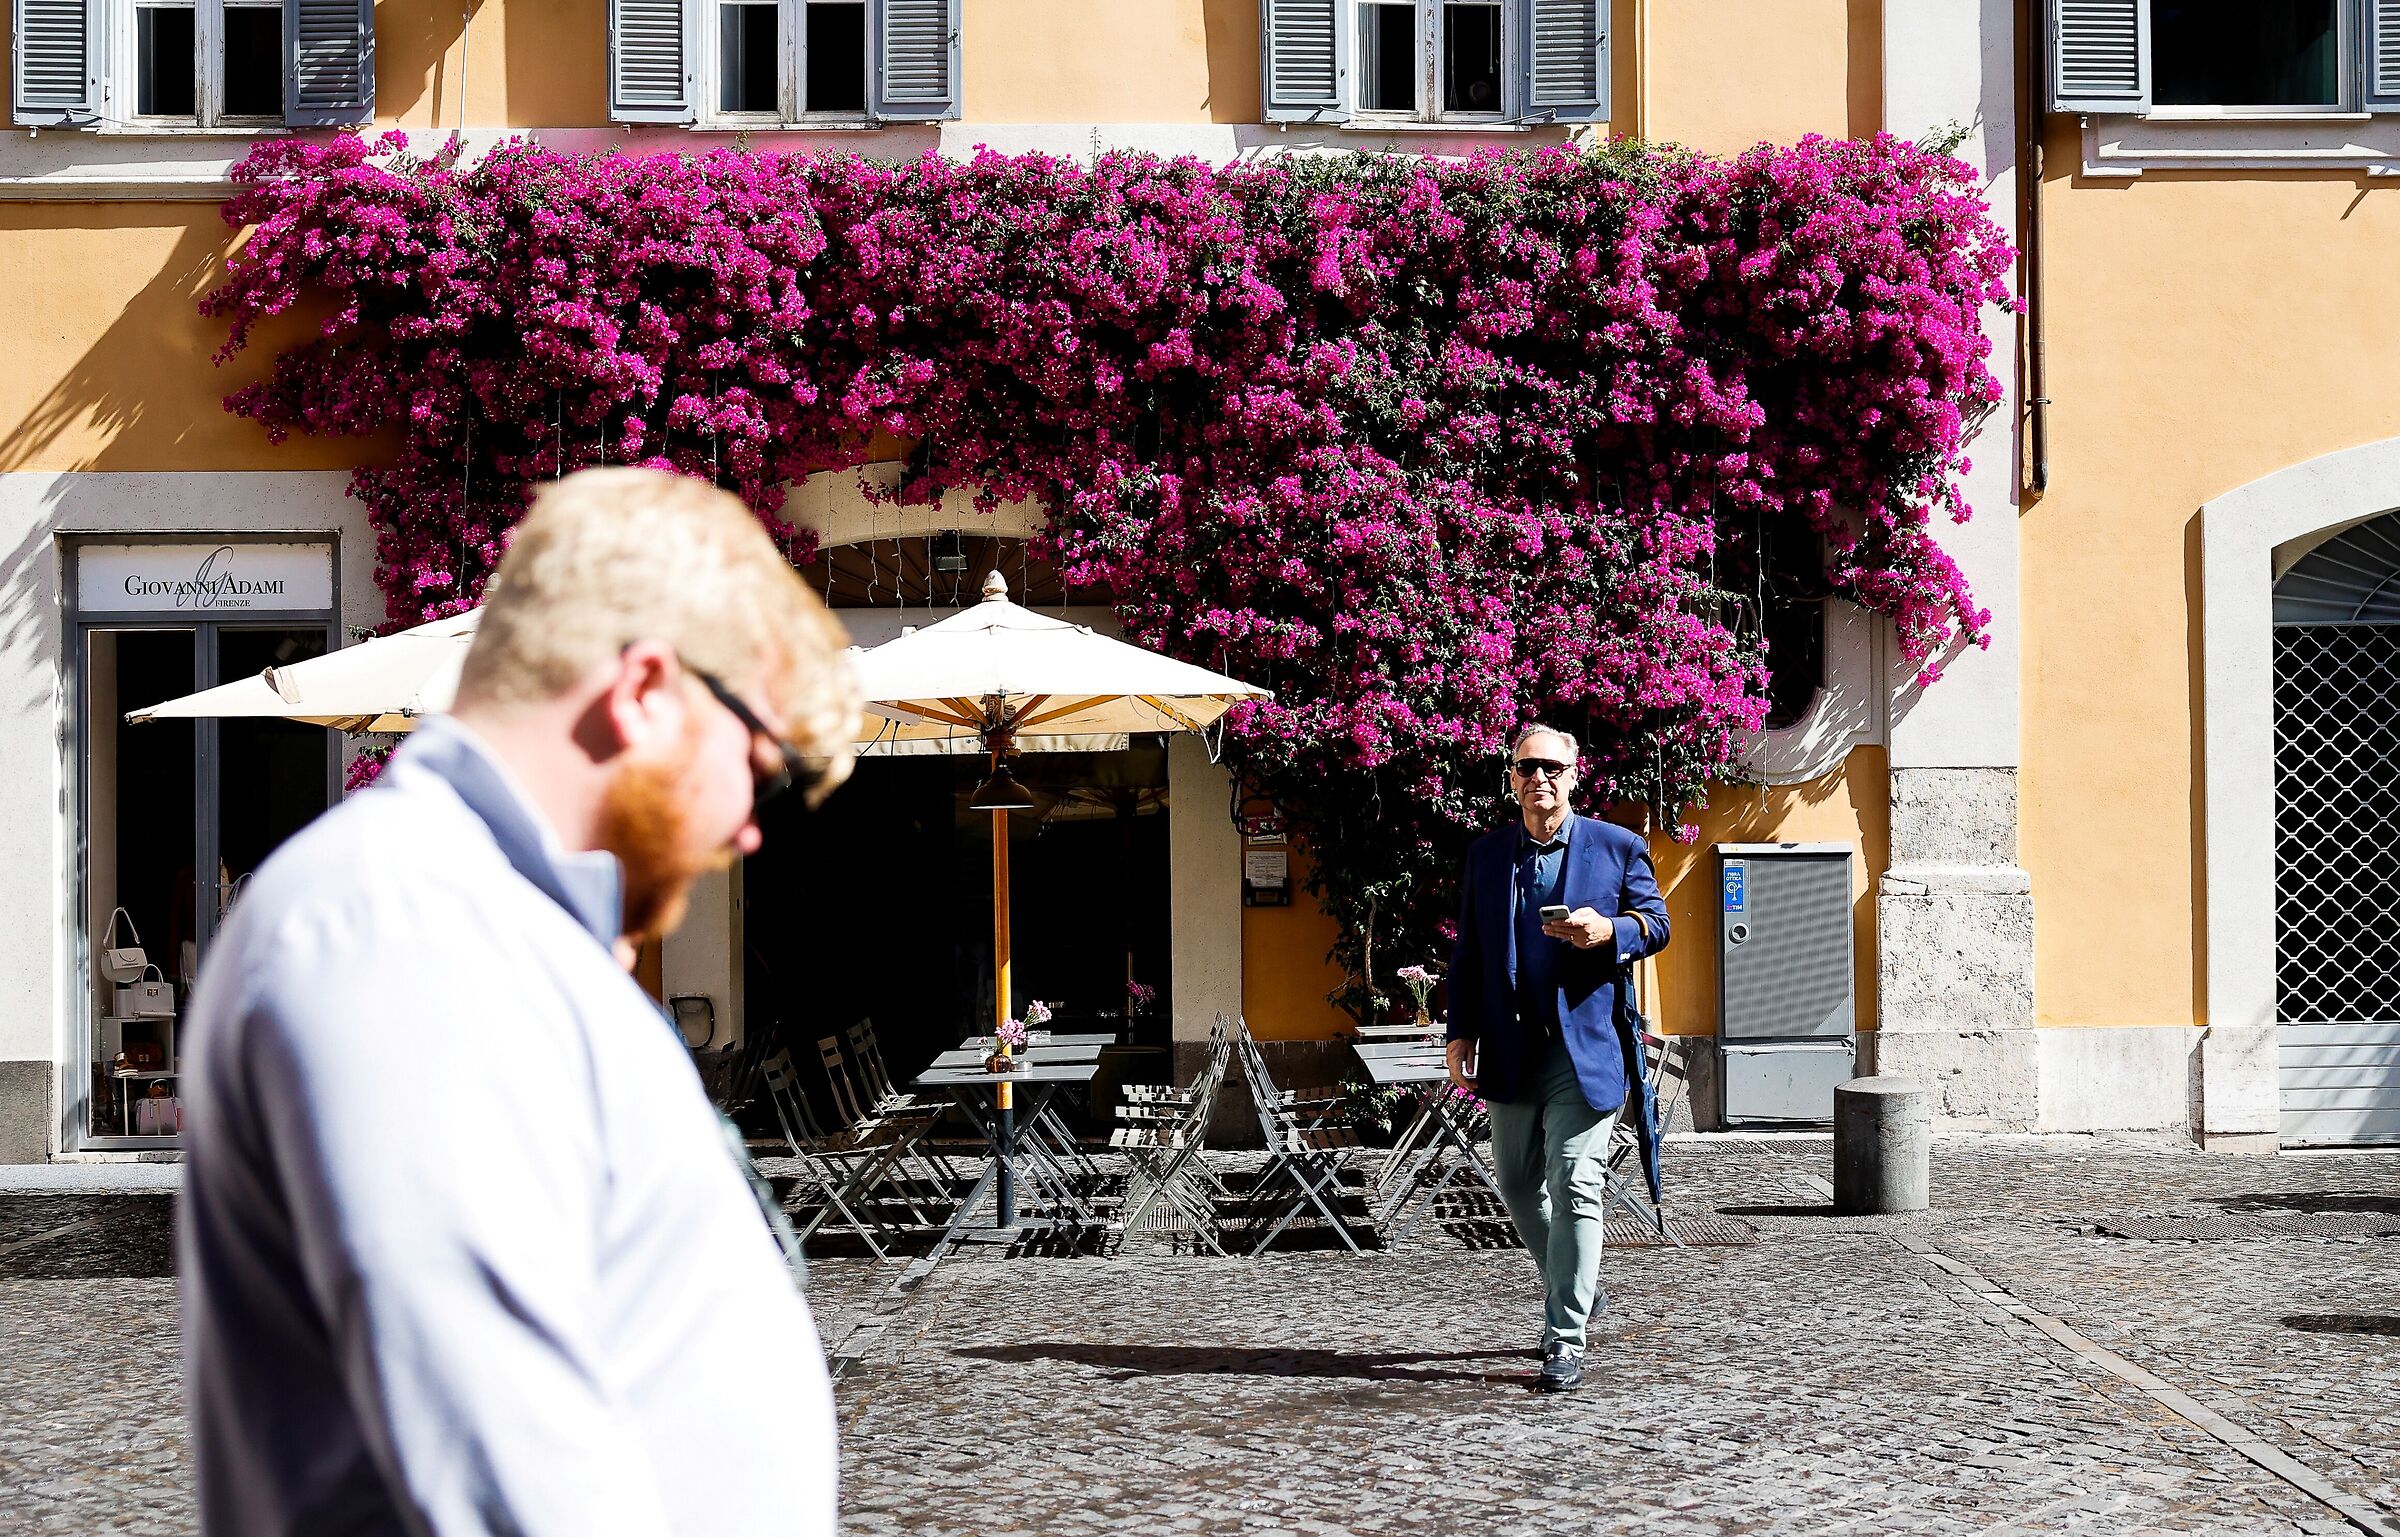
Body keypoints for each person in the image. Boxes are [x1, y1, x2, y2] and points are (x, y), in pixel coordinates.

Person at [178, 468, 860, 1536]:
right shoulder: (404, 929)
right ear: (646, 691)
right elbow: (505, 1467)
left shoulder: (479, 928)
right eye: (760, 771)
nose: (750, 829)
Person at [1446, 723, 1670, 1394]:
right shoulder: (1487, 857)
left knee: (1575, 1180)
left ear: (1574, 776)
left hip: (1583, 1052)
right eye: (1525, 767)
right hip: (1514, 1049)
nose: (1537, 778)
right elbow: (1470, 954)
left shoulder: (1615, 846)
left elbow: (1656, 922)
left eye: (1550, 767)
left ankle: (1564, 1335)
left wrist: (1611, 930)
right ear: (1510, 778)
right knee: (1516, 1183)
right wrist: (1460, 1031)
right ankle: (1578, 1283)